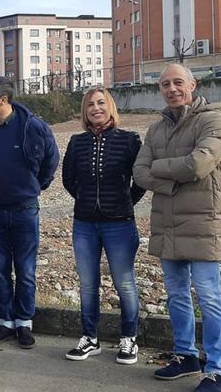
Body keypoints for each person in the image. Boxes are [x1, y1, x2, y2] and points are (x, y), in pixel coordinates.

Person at [133, 64, 221, 392]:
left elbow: (200, 163)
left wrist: (160, 169)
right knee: (176, 295)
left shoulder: (213, 119)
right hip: (167, 223)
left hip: (203, 223)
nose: (172, 89)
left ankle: (216, 369)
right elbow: (139, 173)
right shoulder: (156, 128)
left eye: (178, 83)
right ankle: (185, 355)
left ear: (193, 84)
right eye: (165, 85)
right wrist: (173, 180)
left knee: (209, 296)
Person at [0, 77, 59, 350]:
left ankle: (24, 323)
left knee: (26, 270)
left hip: (25, 210)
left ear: (3, 100)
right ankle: (5, 321)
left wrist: (33, 187)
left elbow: (50, 161)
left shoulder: (32, 126)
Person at [62, 87, 145, 364]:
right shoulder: (77, 142)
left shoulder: (129, 140)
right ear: (85, 111)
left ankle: (128, 339)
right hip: (85, 224)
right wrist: (87, 200)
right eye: (90, 105)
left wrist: (124, 202)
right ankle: (90, 338)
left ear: (110, 106)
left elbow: (141, 180)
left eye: (101, 103)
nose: (96, 108)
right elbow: (69, 179)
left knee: (124, 283)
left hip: (119, 224)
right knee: (88, 284)